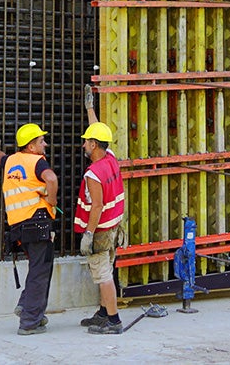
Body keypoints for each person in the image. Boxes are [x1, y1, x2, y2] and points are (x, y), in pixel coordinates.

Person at [0, 123, 58, 336]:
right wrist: (52, 200)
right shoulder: (37, 161)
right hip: (37, 222)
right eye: (40, 141)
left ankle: (28, 307)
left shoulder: (11, 160)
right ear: (30, 146)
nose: (45, 144)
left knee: (38, 267)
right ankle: (29, 321)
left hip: (18, 226)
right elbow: (52, 178)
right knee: (40, 270)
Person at [75, 105, 126, 334]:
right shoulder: (111, 158)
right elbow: (99, 131)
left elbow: (97, 206)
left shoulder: (93, 173)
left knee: (103, 275)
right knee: (108, 269)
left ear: (93, 144)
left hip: (101, 231)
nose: (84, 144)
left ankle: (113, 321)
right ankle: (104, 313)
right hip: (113, 227)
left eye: (87, 141)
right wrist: (90, 110)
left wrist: (88, 234)